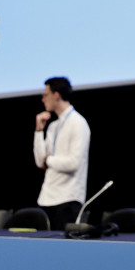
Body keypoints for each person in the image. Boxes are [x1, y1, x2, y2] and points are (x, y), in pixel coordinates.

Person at [33, 77, 90, 230]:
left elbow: (73, 163)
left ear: (56, 95)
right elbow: (40, 161)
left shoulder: (78, 123)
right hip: (47, 198)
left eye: (45, 95)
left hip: (68, 200)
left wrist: (49, 161)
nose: (43, 99)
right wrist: (39, 131)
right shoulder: (53, 126)